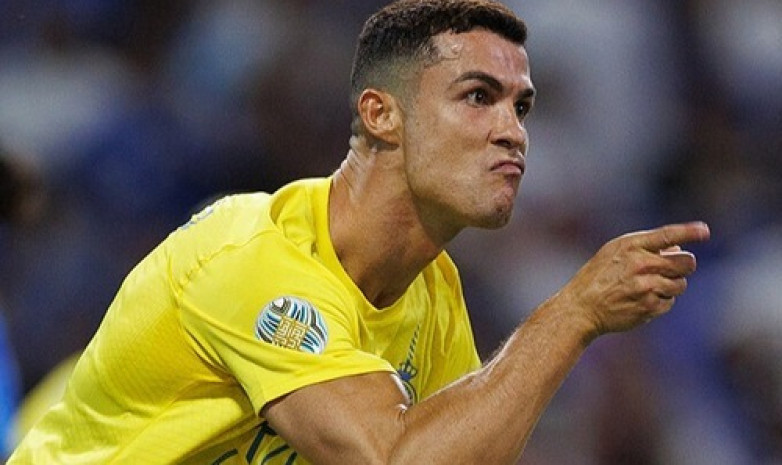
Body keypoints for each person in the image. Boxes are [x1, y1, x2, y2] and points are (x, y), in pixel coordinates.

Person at [8, 1, 710, 463]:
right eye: (478, 97)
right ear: (381, 114)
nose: (513, 132)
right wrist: (574, 314)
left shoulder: (432, 294)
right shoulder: (256, 257)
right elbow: (392, 458)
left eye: (520, 107)